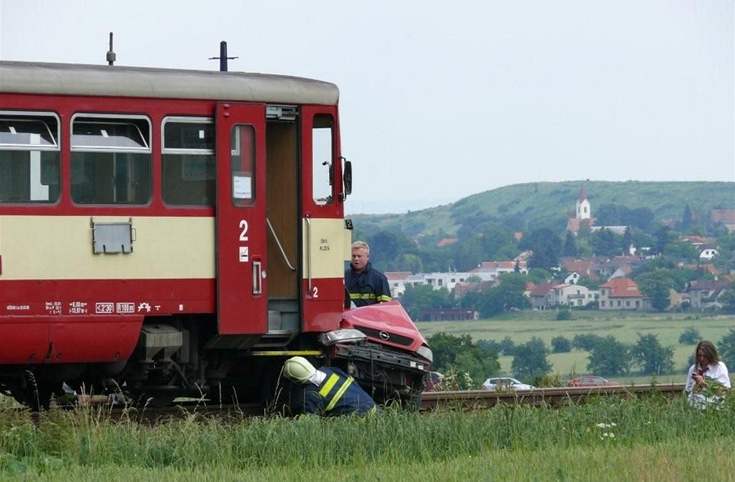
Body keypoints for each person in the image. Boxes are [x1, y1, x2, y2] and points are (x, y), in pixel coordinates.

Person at [282, 356, 376, 416]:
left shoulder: (311, 395)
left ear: (295, 380)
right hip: (374, 408)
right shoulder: (331, 371)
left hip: (360, 420)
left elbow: (310, 426)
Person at [345, 241, 392, 308]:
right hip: (349, 318)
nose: (356, 259)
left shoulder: (379, 279)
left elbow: (385, 306)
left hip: (371, 318)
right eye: (353, 256)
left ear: (367, 257)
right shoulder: (344, 277)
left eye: (359, 256)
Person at [684, 340, 731, 409]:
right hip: (694, 409)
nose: (702, 359)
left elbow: (725, 391)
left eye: (705, 356)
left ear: (711, 355)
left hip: (714, 409)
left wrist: (704, 383)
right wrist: (695, 386)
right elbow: (687, 392)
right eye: (699, 355)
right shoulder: (693, 369)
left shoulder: (720, 367)